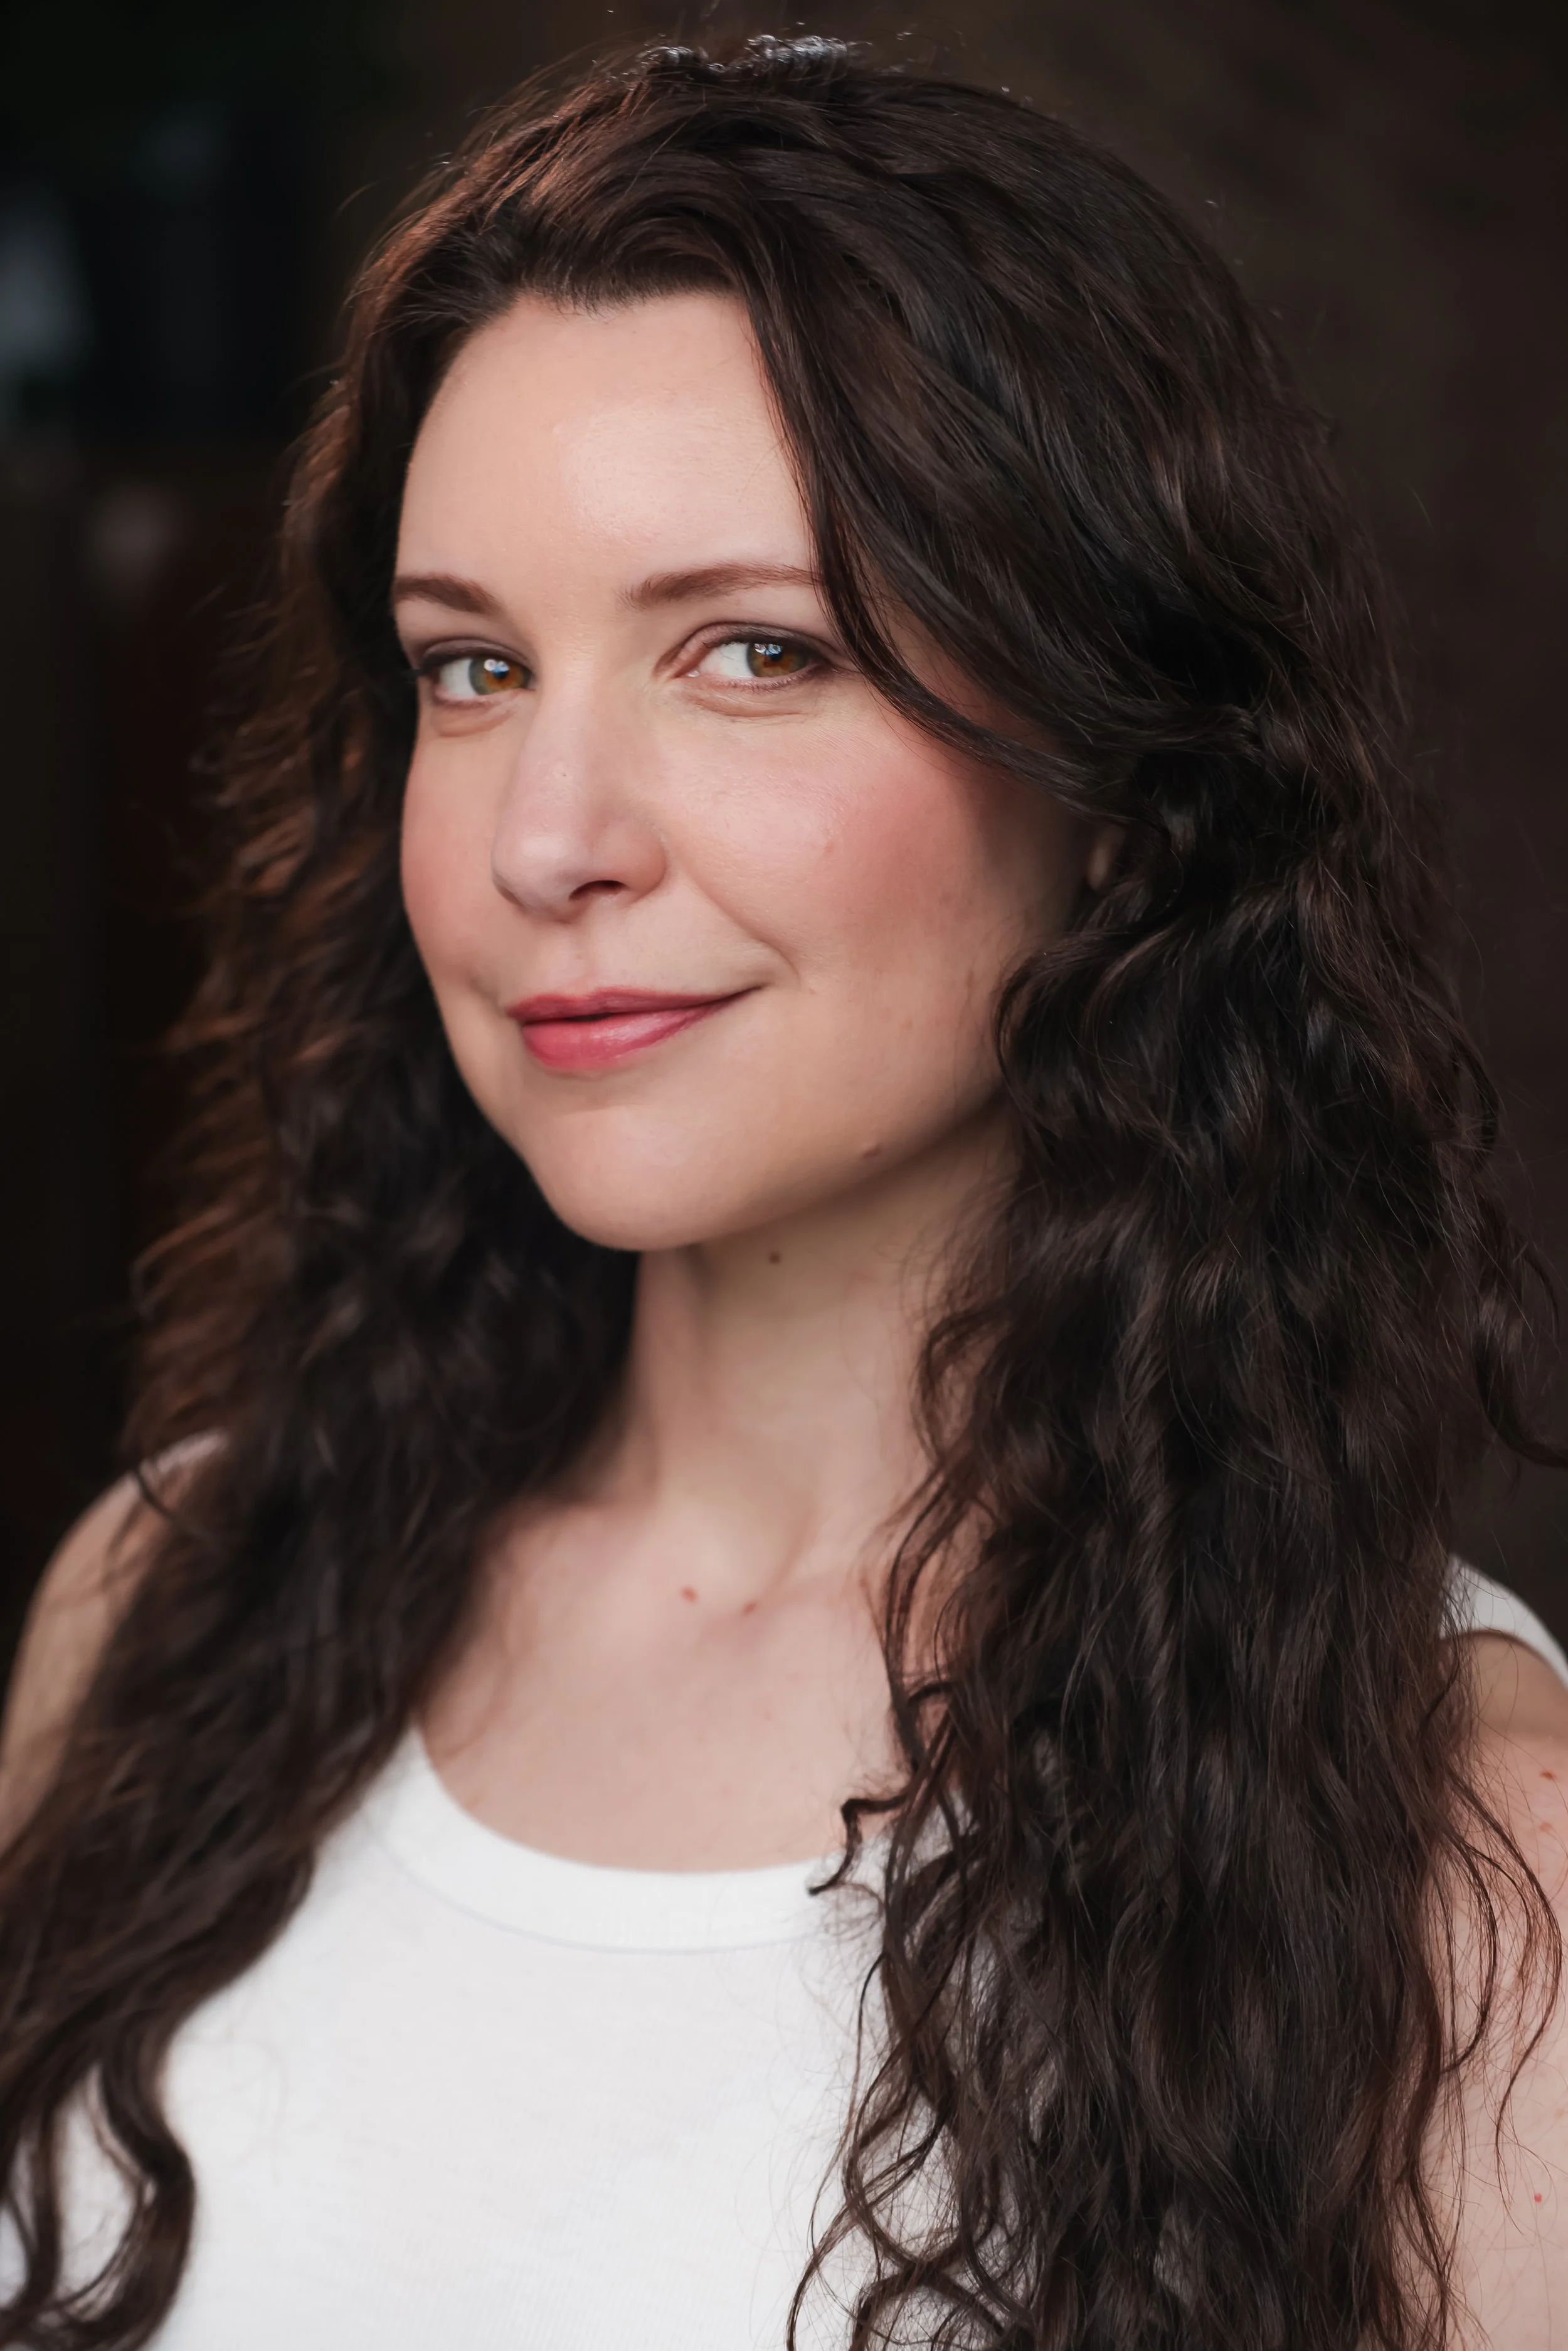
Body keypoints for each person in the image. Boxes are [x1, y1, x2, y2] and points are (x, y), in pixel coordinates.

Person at [0, 35, 1564, 2351]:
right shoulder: (166, 1607)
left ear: (1121, 770)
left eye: (754, 650)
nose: (550, 837)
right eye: (470, 667)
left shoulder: (1456, 1863)